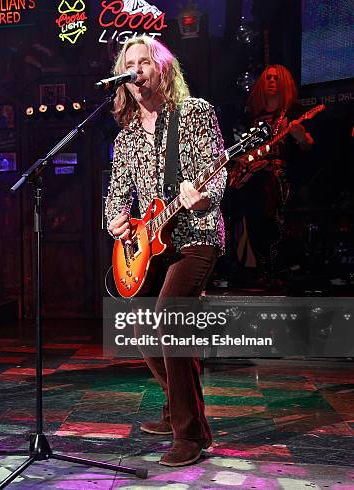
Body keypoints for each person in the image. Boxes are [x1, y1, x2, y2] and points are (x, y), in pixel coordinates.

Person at [105, 36, 226, 466]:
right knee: (139, 325)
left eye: (143, 63)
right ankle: (176, 406)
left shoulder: (194, 113)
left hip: (197, 234)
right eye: (129, 65)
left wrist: (203, 197)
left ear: (163, 70)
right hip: (151, 243)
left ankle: (192, 434)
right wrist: (117, 221)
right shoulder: (126, 138)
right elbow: (116, 197)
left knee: (170, 318)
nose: (136, 71)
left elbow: (217, 173)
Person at [228, 64, 314, 285]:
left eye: (276, 78)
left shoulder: (292, 111)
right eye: (267, 78)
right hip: (248, 173)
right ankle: (241, 265)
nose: (271, 81)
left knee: (264, 196)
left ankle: (272, 266)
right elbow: (238, 146)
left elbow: (308, 147)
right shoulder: (251, 115)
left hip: (276, 174)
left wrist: (300, 136)